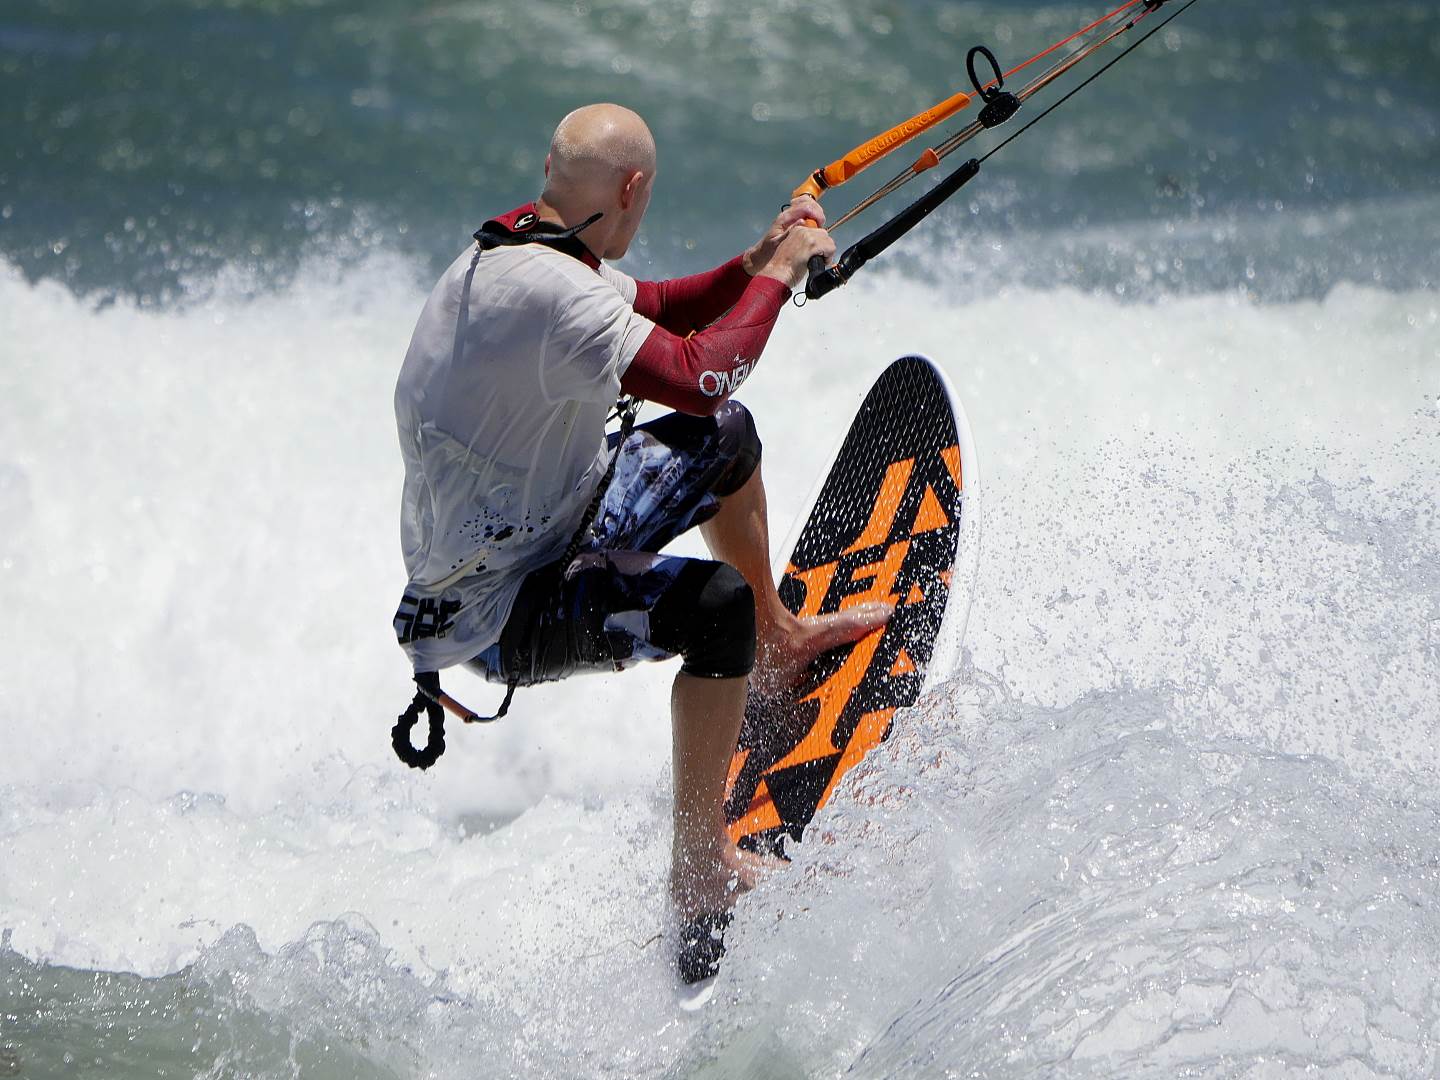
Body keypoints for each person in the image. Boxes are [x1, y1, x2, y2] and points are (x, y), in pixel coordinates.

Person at [392, 103, 891, 973]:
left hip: (541, 530)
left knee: (726, 439)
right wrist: (778, 277)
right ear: (633, 188)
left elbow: (659, 307)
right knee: (713, 608)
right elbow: (697, 375)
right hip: (504, 615)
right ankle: (700, 873)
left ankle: (778, 644)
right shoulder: (549, 291)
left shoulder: (517, 246)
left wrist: (753, 263)